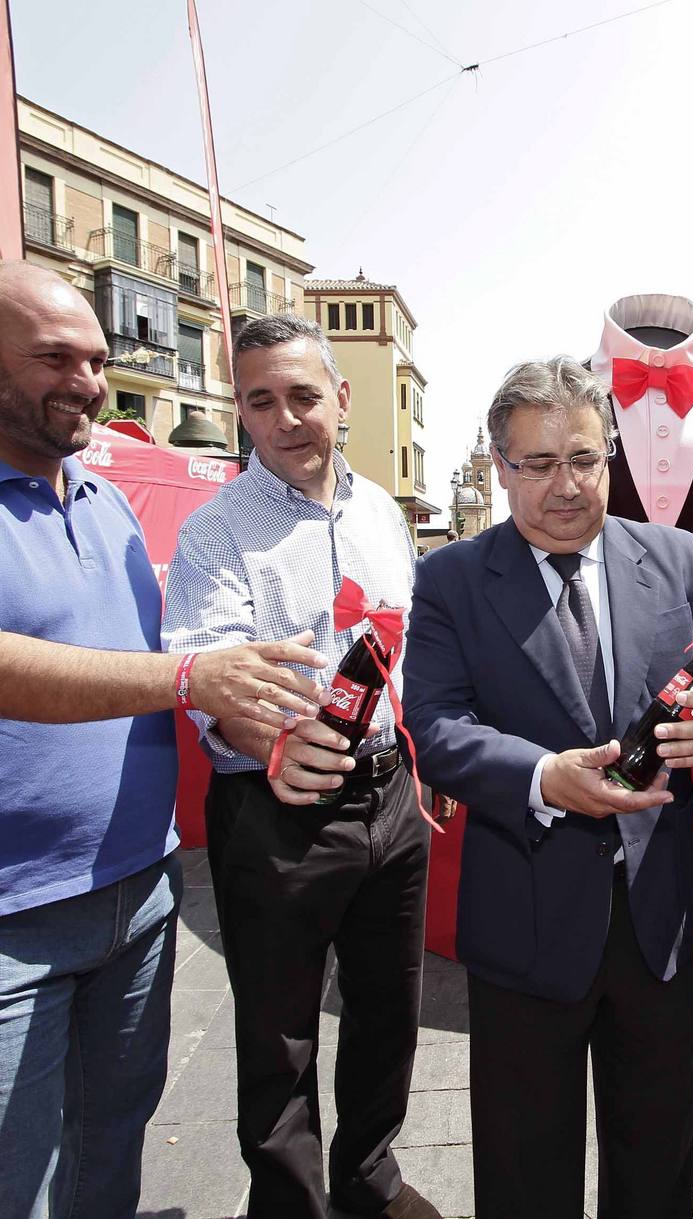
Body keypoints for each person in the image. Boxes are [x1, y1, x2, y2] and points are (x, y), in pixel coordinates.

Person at [0, 262, 327, 1219]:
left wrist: (252, 711)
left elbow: (147, 656)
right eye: (54, 357)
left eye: (96, 360)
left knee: (105, 1169)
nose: (87, 382)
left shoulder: (104, 502)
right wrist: (191, 679)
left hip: (132, 903)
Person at [402, 357, 693, 1219]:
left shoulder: (679, 557)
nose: (566, 485)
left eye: (583, 457)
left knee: (656, 1164)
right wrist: (543, 776)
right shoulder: (453, 580)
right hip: (525, 918)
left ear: (609, 453)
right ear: (498, 468)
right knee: (523, 1167)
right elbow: (433, 726)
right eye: (537, 464)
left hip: (660, 918)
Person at [162, 314, 439, 1219]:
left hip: (390, 799)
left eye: (303, 396)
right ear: (239, 408)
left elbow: (408, 646)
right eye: (260, 400)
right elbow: (207, 670)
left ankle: (370, 1179)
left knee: (388, 1011)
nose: (285, 418)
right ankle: (289, 1206)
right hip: (278, 811)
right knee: (278, 1036)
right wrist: (270, 739)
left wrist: (415, 754)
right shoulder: (214, 534)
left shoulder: (382, 513)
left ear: (342, 398)